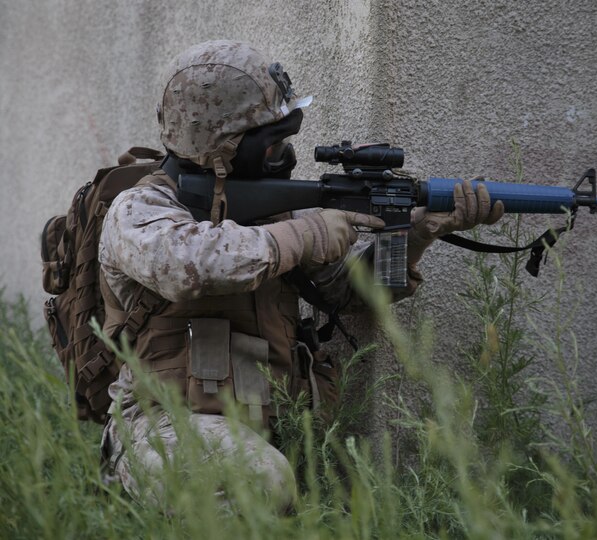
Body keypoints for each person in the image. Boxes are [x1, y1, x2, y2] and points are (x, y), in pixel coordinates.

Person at [98, 39, 504, 513]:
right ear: (223, 150)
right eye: (274, 143)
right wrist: (306, 233)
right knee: (258, 478)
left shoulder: (275, 214)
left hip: (265, 429)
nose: (286, 155)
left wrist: (416, 233)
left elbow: (348, 293)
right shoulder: (140, 210)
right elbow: (189, 268)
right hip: (159, 425)